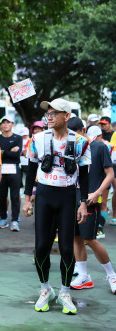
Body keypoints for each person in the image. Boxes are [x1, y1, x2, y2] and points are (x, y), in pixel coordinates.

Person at [23, 98, 91, 315]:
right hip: (44, 195)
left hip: (67, 196)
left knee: (66, 248)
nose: (49, 117)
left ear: (66, 116)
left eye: (54, 113)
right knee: (41, 246)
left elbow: (84, 175)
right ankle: (45, 289)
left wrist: (83, 203)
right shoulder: (37, 139)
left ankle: (64, 292)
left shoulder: (80, 142)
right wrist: (27, 198)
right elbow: (31, 170)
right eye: (48, 113)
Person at [69, 125, 116, 294]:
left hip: (90, 200)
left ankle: (112, 275)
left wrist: (97, 192)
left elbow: (110, 174)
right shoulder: (69, 146)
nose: (71, 136)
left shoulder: (99, 147)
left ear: (83, 130)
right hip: (71, 198)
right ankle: (83, 276)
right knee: (76, 238)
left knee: (89, 239)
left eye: (74, 132)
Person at [0, 115, 23, 231]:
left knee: (15, 196)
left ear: (12, 124)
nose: (5, 124)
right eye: (3, 122)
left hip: (14, 169)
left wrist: (3, 152)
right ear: (0, 126)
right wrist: (9, 151)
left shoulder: (18, 138)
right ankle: (3, 218)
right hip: (0, 170)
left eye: (8, 122)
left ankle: (15, 220)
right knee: (2, 195)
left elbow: (16, 155)